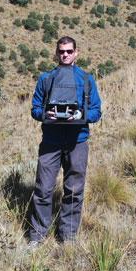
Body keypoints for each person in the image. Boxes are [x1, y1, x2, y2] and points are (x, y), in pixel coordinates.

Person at [29, 36, 101, 245]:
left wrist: (81, 116)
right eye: (61, 51)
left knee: (74, 191)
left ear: (76, 53)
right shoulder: (46, 79)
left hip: (77, 141)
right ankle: (37, 235)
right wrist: (46, 115)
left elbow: (96, 111)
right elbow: (34, 108)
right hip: (51, 142)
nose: (65, 55)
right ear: (56, 53)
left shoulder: (87, 80)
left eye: (69, 51)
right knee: (43, 189)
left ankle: (67, 237)